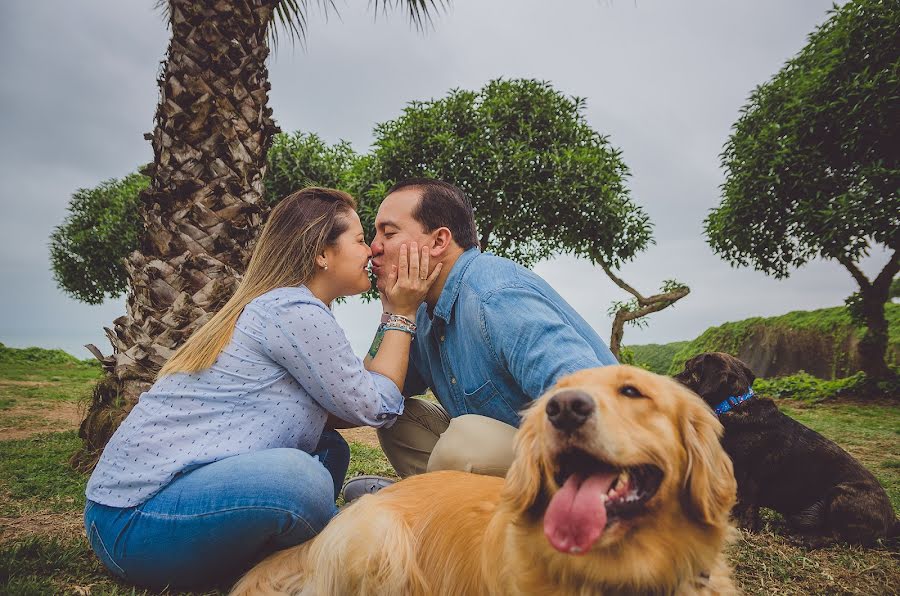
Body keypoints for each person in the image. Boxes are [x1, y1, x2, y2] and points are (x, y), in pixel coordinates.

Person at [82, 187, 441, 589]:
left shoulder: (286, 307)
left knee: (329, 450)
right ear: (322, 253)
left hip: (142, 514)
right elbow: (375, 407)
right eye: (360, 240)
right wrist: (404, 313)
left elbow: (360, 395)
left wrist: (393, 313)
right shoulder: (294, 311)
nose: (372, 251)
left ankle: (316, 542)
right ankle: (354, 537)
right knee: (299, 479)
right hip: (133, 524)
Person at [342, 178, 618, 501]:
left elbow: (596, 398)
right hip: (516, 463)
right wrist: (392, 314)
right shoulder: (422, 312)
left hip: (577, 467)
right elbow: (374, 395)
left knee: (464, 440)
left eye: (388, 233)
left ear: (438, 241)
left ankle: (426, 502)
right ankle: (432, 500)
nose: (374, 247)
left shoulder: (495, 297)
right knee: (398, 419)